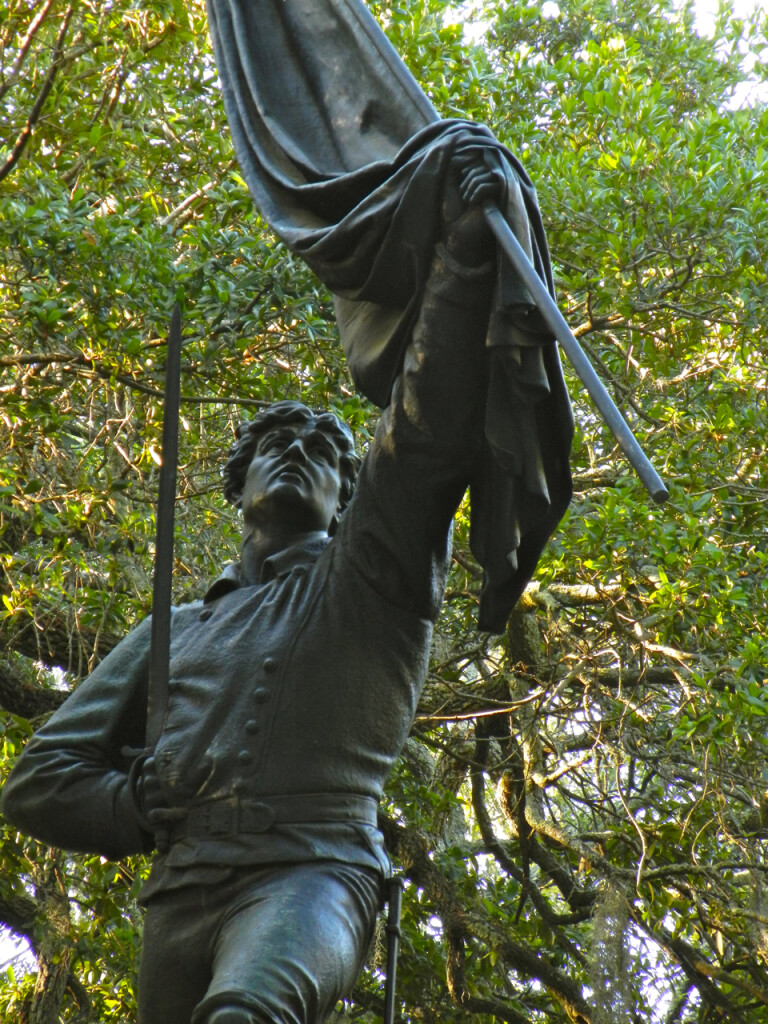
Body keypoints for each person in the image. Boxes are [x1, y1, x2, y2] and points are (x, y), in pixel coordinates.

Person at [2, 159, 509, 1024]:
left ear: (347, 494)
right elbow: (37, 780)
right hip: (178, 900)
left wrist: (461, 263)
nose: (297, 450)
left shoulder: (371, 575)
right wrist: (129, 803)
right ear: (236, 486)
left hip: (312, 873)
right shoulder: (176, 631)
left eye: (321, 450)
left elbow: (423, 436)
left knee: (246, 1013)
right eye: (275, 442)